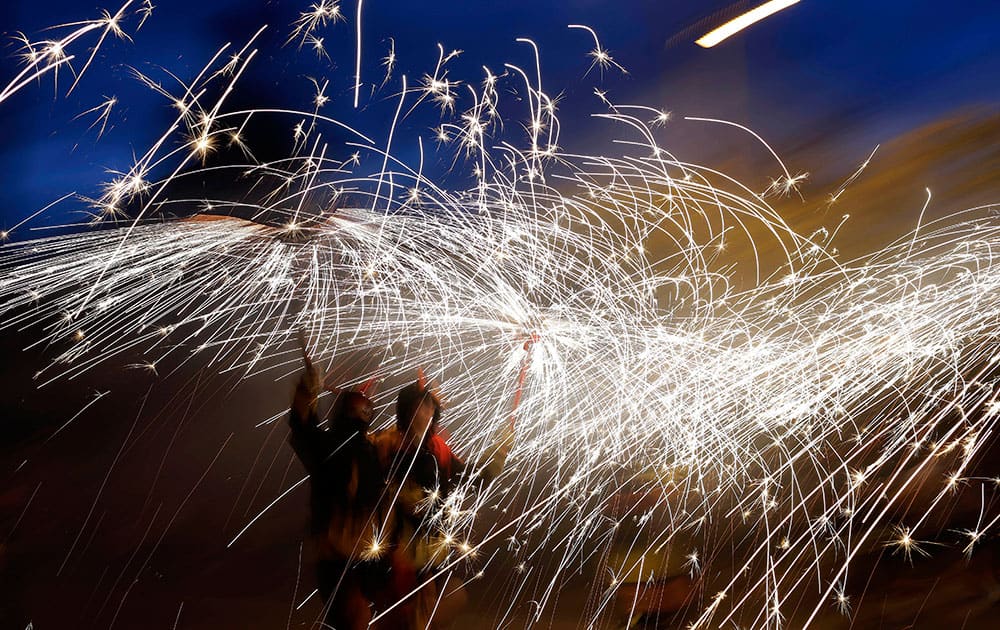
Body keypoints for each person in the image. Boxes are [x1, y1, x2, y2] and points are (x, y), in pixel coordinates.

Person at [288, 353, 385, 630]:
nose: (365, 402)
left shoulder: (373, 450)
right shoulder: (330, 446)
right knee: (354, 619)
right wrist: (307, 388)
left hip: (365, 552)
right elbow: (302, 425)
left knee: (367, 618)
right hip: (336, 554)